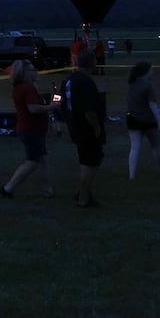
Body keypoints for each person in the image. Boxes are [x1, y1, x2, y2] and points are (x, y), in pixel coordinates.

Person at [0, 61, 57, 199]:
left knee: (41, 160)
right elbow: (33, 108)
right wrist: (51, 107)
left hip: (29, 128)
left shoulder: (21, 87)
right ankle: (8, 188)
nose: (35, 71)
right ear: (24, 73)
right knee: (32, 161)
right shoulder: (27, 88)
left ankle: (47, 190)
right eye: (32, 70)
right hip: (31, 129)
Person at [63, 50, 106, 206]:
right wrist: (96, 128)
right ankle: (83, 198)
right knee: (90, 163)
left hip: (75, 126)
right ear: (92, 63)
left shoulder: (70, 80)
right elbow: (89, 110)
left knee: (87, 162)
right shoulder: (85, 82)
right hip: (86, 129)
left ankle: (85, 193)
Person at [124, 61, 160, 180]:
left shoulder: (132, 83)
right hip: (147, 120)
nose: (153, 72)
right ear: (146, 72)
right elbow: (152, 104)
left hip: (132, 118)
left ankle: (131, 175)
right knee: (156, 146)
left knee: (134, 147)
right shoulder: (148, 85)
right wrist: (159, 120)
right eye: (151, 70)